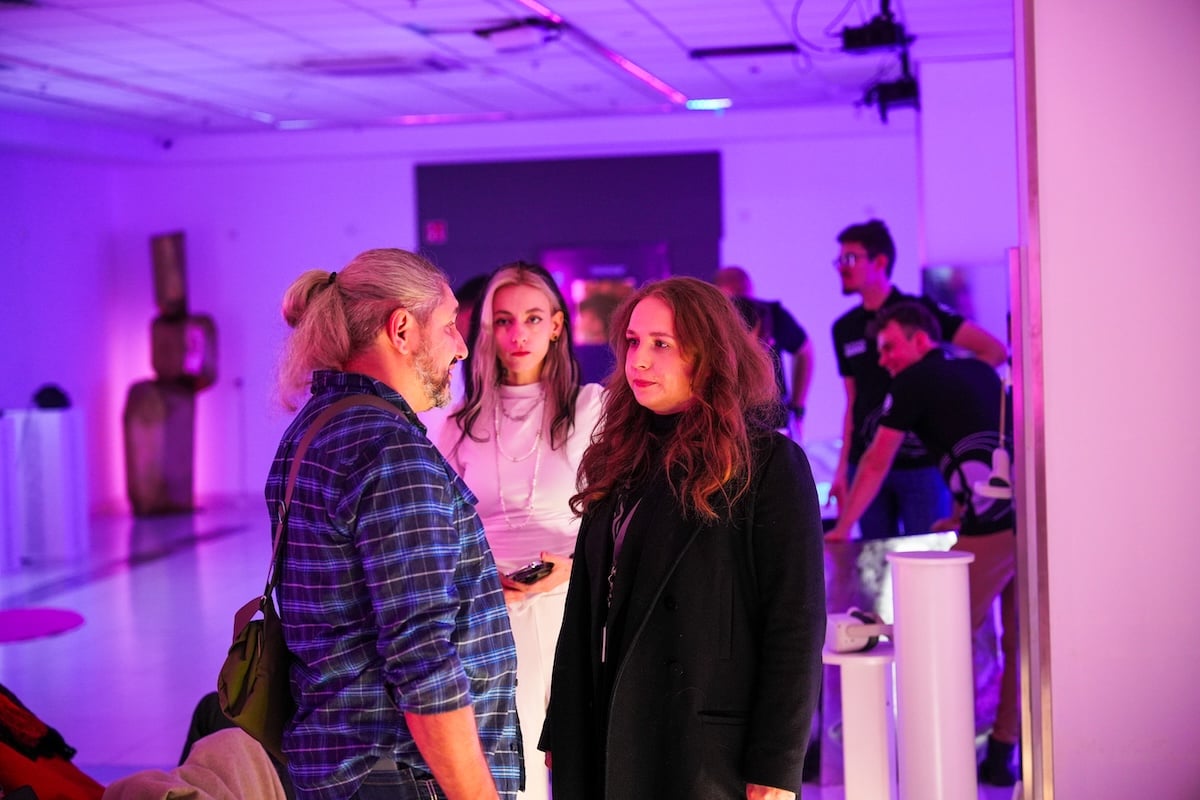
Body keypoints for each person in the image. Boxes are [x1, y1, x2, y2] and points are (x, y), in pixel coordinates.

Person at [541, 277, 826, 800]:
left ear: (709, 354)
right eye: (633, 342)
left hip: (705, 743)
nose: (639, 360)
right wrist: (562, 723)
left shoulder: (768, 464)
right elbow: (584, 605)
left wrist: (778, 765)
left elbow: (795, 623)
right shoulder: (619, 455)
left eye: (661, 344)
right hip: (608, 723)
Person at [269, 248, 520, 800]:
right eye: (449, 324)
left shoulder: (312, 430)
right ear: (402, 329)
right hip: (403, 775)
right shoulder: (392, 450)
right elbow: (422, 658)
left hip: (340, 766)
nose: (461, 346)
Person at [825, 301, 1019, 786]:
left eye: (890, 346)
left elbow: (877, 460)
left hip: (994, 527)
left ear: (920, 339)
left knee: (932, 634)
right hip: (1027, 519)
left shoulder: (913, 381)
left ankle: (930, 755)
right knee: (1019, 642)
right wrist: (960, 512)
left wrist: (844, 526)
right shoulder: (978, 370)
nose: (883, 358)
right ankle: (1001, 754)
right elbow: (988, 445)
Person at [436, 262, 604, 800]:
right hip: (490, 609)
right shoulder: (459, 424)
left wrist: (571, 570)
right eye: (504, 320)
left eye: (533, 318)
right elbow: (442, 531)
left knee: (588, 763)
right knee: (514, 769)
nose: (518, 334)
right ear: (487, 330)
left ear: (556, 325)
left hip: (574, 603)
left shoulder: (591, 409)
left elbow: (621, 519)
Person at [829, 219, 1007, 540]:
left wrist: (941, 388)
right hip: (865, 460)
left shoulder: (918, 312)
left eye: (850, 258)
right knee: (872, 560)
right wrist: (841, 469)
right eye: (840, 259)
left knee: (929, 551)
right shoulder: (844, 328)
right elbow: (852, 401)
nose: (842, 266)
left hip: (921, 465)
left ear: (880, 262)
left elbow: (993, 351)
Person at [713, 265, 814, 440]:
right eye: (734, 304)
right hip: (729, 422)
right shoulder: (711, 325)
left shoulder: (771, 315)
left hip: (773, 421)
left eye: (745, 303)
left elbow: (805, 351)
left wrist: (798, 408)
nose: (742, 312)